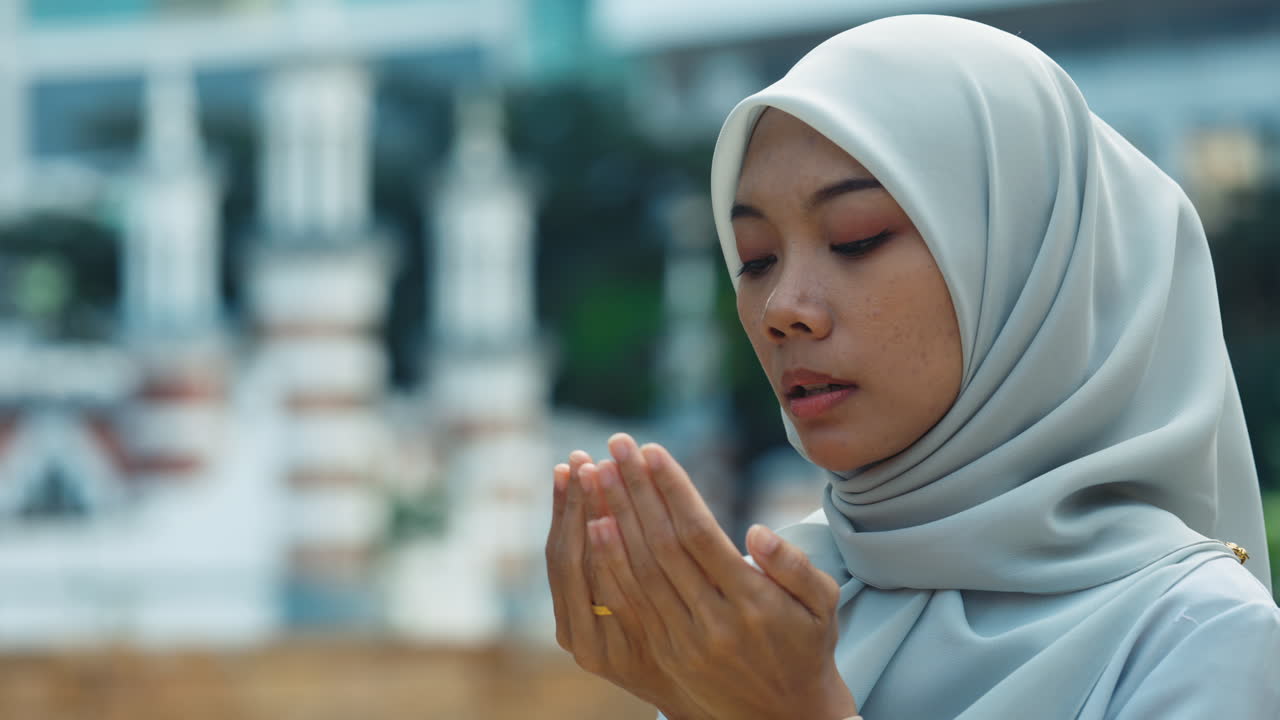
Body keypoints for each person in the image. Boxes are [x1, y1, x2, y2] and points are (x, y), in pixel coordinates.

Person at [545, 14, 1280, 720]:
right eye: (757, 259)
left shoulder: (1197, 634)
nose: (782, 307)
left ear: (1027, 264)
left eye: (856, 238)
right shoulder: (776, 608)